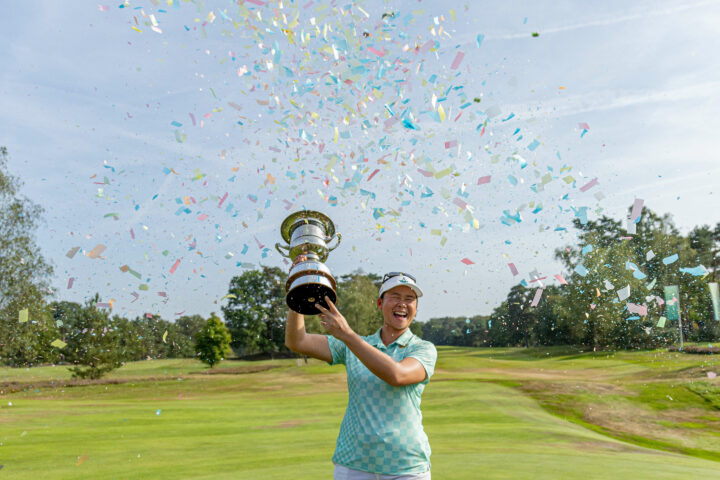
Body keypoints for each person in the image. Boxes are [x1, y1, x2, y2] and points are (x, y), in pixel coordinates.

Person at [285, 270, 437, 480]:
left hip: (405, 466)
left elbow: (397, 375)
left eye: (409, 299)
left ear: (416, 308)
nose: (402, 303)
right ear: (379, 304)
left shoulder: (423, 349)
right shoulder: (352, 346)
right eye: (394, 297)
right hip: (353, 463)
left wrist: (348, 335)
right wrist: (298, 288)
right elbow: (297, 341)